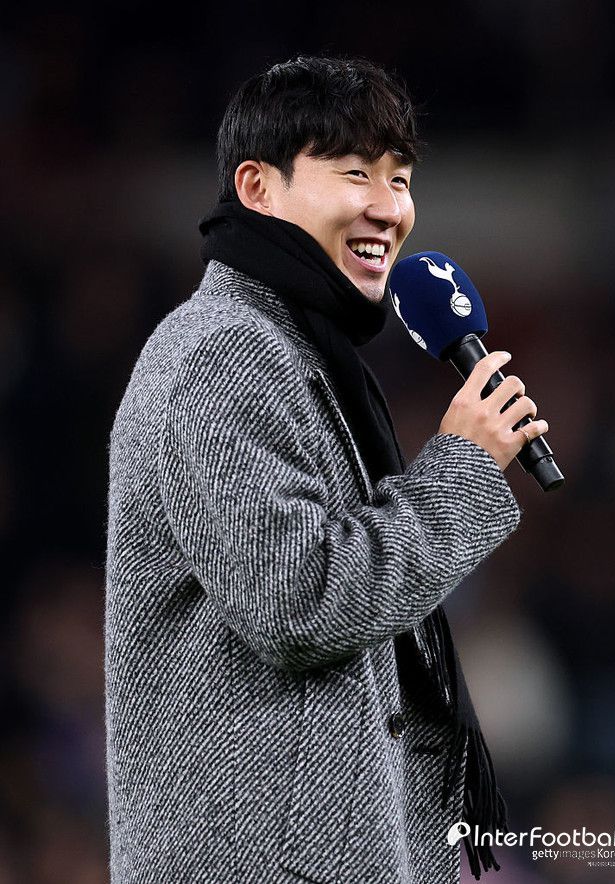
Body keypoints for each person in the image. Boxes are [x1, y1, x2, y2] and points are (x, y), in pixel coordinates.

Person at [104, 55, 548, 884]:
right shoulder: (224, 354)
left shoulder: (291, 349)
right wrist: (460, 468)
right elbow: (300, 603)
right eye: (354, 174)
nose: (388, 207)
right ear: (257, 187)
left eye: (400, 179)